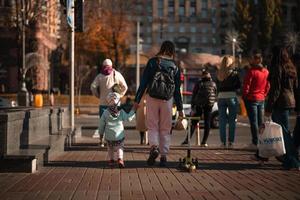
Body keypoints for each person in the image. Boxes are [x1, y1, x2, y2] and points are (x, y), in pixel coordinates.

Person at [134, 40, 183, 167]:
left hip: (152, 97)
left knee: (152, 125)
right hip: (167, 99)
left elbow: (143, 83)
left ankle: (154, 147)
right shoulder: (175, 66)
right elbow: (177, 89)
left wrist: (137, 100)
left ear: (161, 49)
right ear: (172, 51)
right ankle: (163, 156)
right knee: (165, 128)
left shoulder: (152, 62)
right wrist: (180, 108)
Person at [261, 46, 299, 170]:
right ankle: (290, 158)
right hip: (289, 101)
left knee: (285, 133)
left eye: (271, 55)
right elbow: (296, 88)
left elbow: (275, 90)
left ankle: (292, 160)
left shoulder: (277, 67)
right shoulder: (290, 67)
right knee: (285, 131)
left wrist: (268, 108)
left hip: (280, 102)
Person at [90, 59, 128, 140]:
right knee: (116, 123)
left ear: (103, 66)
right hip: (115, 104)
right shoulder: (116, 74)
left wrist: (98, 95)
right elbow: (125, 86)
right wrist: (120, 95)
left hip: (103, 103)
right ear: (111, 66)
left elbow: (93, 87)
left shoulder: (100, 76)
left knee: (102, 123)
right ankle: (116, 138)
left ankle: (101, 140)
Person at [99, 92, 137, 168]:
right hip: (119, 136)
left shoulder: (105, 113)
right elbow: (129, 118)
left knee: (110, 148)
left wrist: (101, 134)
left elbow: (101, 125)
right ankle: (120, 159)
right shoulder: (121, 112)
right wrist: (134, 110)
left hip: (109, 137)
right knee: (120, 147)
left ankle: (111, 160)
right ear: (118, 102)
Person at [181, 70, 217, 147]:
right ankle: (204, 142)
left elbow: (194, 94)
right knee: (207, 123)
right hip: (209, 105)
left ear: (202, 76)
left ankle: (187, 140)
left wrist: (193, 106)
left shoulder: (199, 83)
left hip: (199, 105)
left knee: (194, 123)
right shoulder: (213, 84)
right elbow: (215, 94)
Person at [242, 51, 270, 148]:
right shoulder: (266, 72)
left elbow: (246, 86)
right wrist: (264, 94)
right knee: (260, 122)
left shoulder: (251, 72)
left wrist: (244, 96)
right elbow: (268, 86)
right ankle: (262, 141)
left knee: (253, 122)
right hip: (261, 98)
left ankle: (255, 142)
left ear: (255, 60)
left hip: (251, 98)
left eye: (252, 59)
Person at [216, 56, 241, 148]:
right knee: (232, 121)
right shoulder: (234, 73)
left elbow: (217, 86)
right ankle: (231, 142)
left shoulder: (219, 73)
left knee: (222, 121)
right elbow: (238, 86)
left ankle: (222, 143)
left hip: (221, 97)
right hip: (231, 97)